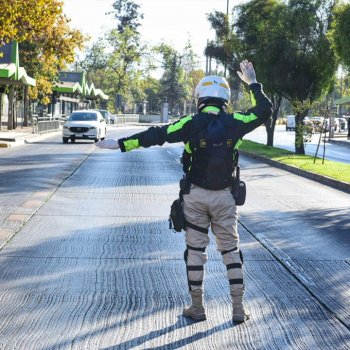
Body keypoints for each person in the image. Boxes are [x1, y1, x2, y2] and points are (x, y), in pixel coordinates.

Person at [96, 60, 272, 323]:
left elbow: (156, 135)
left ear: (200, 98)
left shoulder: (190, 123)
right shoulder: (236, 122)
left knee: (195, 252)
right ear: (224, 99)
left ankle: (197, 307)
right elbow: (264, 111)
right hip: (225, 197)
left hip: (195, 197)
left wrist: (120, 144)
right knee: (231, 251)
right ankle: (238, 308)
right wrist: (252, 84)